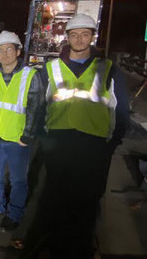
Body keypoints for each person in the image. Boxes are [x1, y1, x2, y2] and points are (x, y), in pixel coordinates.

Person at [23, 13, 129, 258]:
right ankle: (57, 242)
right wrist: (41, 136)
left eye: (85, 34)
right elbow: (38, 105)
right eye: (74, 34)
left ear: (92, 37)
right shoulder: (50, 69)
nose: (79, 39)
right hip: (58, 140)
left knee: (87, 198)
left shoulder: (109, 69)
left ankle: (81, 245)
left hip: (94, 143)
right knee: (58, 194)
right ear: (67, 38)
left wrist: (112, 142)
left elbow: (121, 108)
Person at [0, 31, 43, 232]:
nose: (5, 53)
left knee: (17, 179)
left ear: (18, 51)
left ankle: (14, 212)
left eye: (9, 49)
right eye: (1, 50)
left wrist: (28, 135)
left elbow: (36, 107)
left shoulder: (30, 76)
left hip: (17, 138)